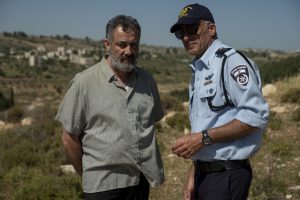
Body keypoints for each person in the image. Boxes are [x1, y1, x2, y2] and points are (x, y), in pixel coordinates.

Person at [55, 15, 165, 200]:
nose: (129, 51)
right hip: (102, 187)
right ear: (107, 44)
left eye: (134, 45)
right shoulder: (85, 82)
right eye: (122, 44)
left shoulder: (147, 81)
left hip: (140, 184)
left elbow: (150, 125)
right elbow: (69, 138)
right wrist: (89, 175)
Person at [169, 4, 269, 200]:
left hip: (227, 175)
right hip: (205, 174)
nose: (186, 37)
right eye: (181, 33)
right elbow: (206, 125)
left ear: (211, 29)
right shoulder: (200, 68)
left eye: (192, 29)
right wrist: (194, 173)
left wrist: (202, 139)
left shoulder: (230, 62)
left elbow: (256, 116)